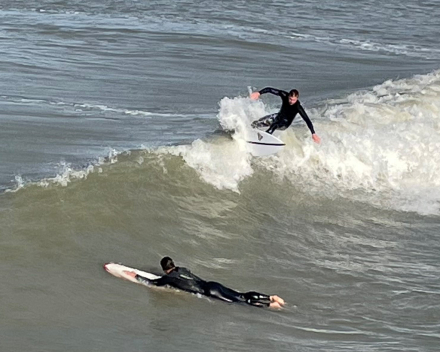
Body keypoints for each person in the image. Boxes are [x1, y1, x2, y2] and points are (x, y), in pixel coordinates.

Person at [124, 256, 285, 309]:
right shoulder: (183, 269)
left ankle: (269, 305)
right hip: (212, 285)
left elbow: (153, 284)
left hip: (209, 293)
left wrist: (135, 276)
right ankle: (270, 297)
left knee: (238, 302)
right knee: (241, 295)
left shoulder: (169, 277)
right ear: (173, 264)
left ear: (165, 269)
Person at [250, 87, 321, 143]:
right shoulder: (284, 95)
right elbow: (270, 89)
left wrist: (313, 133)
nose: (291, 101)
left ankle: (262, 141)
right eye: (290, 99)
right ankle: (250, 135)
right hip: (277, 117)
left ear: (297, 98)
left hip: (284, 123)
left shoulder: (298, 107)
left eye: (294, 100)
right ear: (288, 96)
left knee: (274, 125)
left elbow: (307, 120)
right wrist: (259, 93)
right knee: (256, 123)